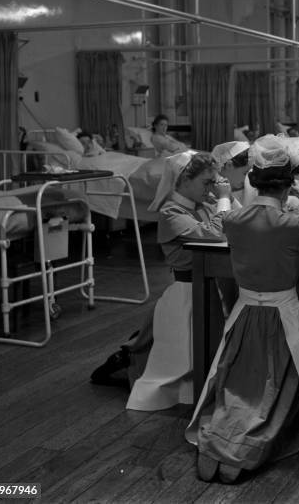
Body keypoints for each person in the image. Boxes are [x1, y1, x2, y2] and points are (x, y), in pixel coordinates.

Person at [186, 134, 299, 483]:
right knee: (275, 387)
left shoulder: (234, 222)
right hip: (282, 318)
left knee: (236, 384)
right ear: (288, 188)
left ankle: (220, 441)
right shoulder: (294, 223)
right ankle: (247, 447)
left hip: (243, 315)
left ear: (254, 181)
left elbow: (224, 216)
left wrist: (225, 199)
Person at [91, 151, 234, 411]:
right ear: (183, 180)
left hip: (208, 289)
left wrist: (223, 198)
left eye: (213, 183)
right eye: (206, 182)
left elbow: (233, 222)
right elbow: (215, 232)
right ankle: (124, 362)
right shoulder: (170, 212)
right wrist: (223, 199)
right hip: (187, 292)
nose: (211, 188)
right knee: (173, 358)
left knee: (196, 354)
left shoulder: (203, 205)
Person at [211, 141, 251, 205]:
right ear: (229, 165)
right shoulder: (208, 195)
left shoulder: (247, 189)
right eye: (245, 173)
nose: (248, 178)